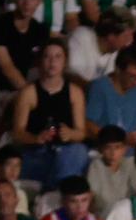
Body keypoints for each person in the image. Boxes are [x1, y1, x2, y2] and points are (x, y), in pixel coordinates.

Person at [12, 38, 90, 192]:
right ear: (40, 61)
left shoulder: (75, 92)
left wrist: (70, 134)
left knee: (77, 151)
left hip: (65, 151)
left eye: (58, 57)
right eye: (47, 56)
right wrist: (36, 138)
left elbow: (81, 132)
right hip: (37, 153)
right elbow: (18, 133)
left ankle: (61, 192)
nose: (52, 62)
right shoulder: (28, 93)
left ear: (65, 62)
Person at [0, 0, 49, 94]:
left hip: (20, 89)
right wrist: (31, 95)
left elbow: (41, 65)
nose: (27, 3)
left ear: (39, 1)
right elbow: (7, 68)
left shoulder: (40, 30)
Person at [67, 5, 136, 84]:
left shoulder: (114, 51)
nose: (130, 41)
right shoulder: (81, 36)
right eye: (126, 36)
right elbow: (71, 76)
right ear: (111, 36)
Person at [86, 125, 136, 216]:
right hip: (102, 216)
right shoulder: (96, 166)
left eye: (117, 147)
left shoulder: (130, 164)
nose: (113, 153)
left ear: (125, 149)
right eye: (108, 148)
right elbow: (90, 197)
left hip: (126, 216)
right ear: (100, 149)